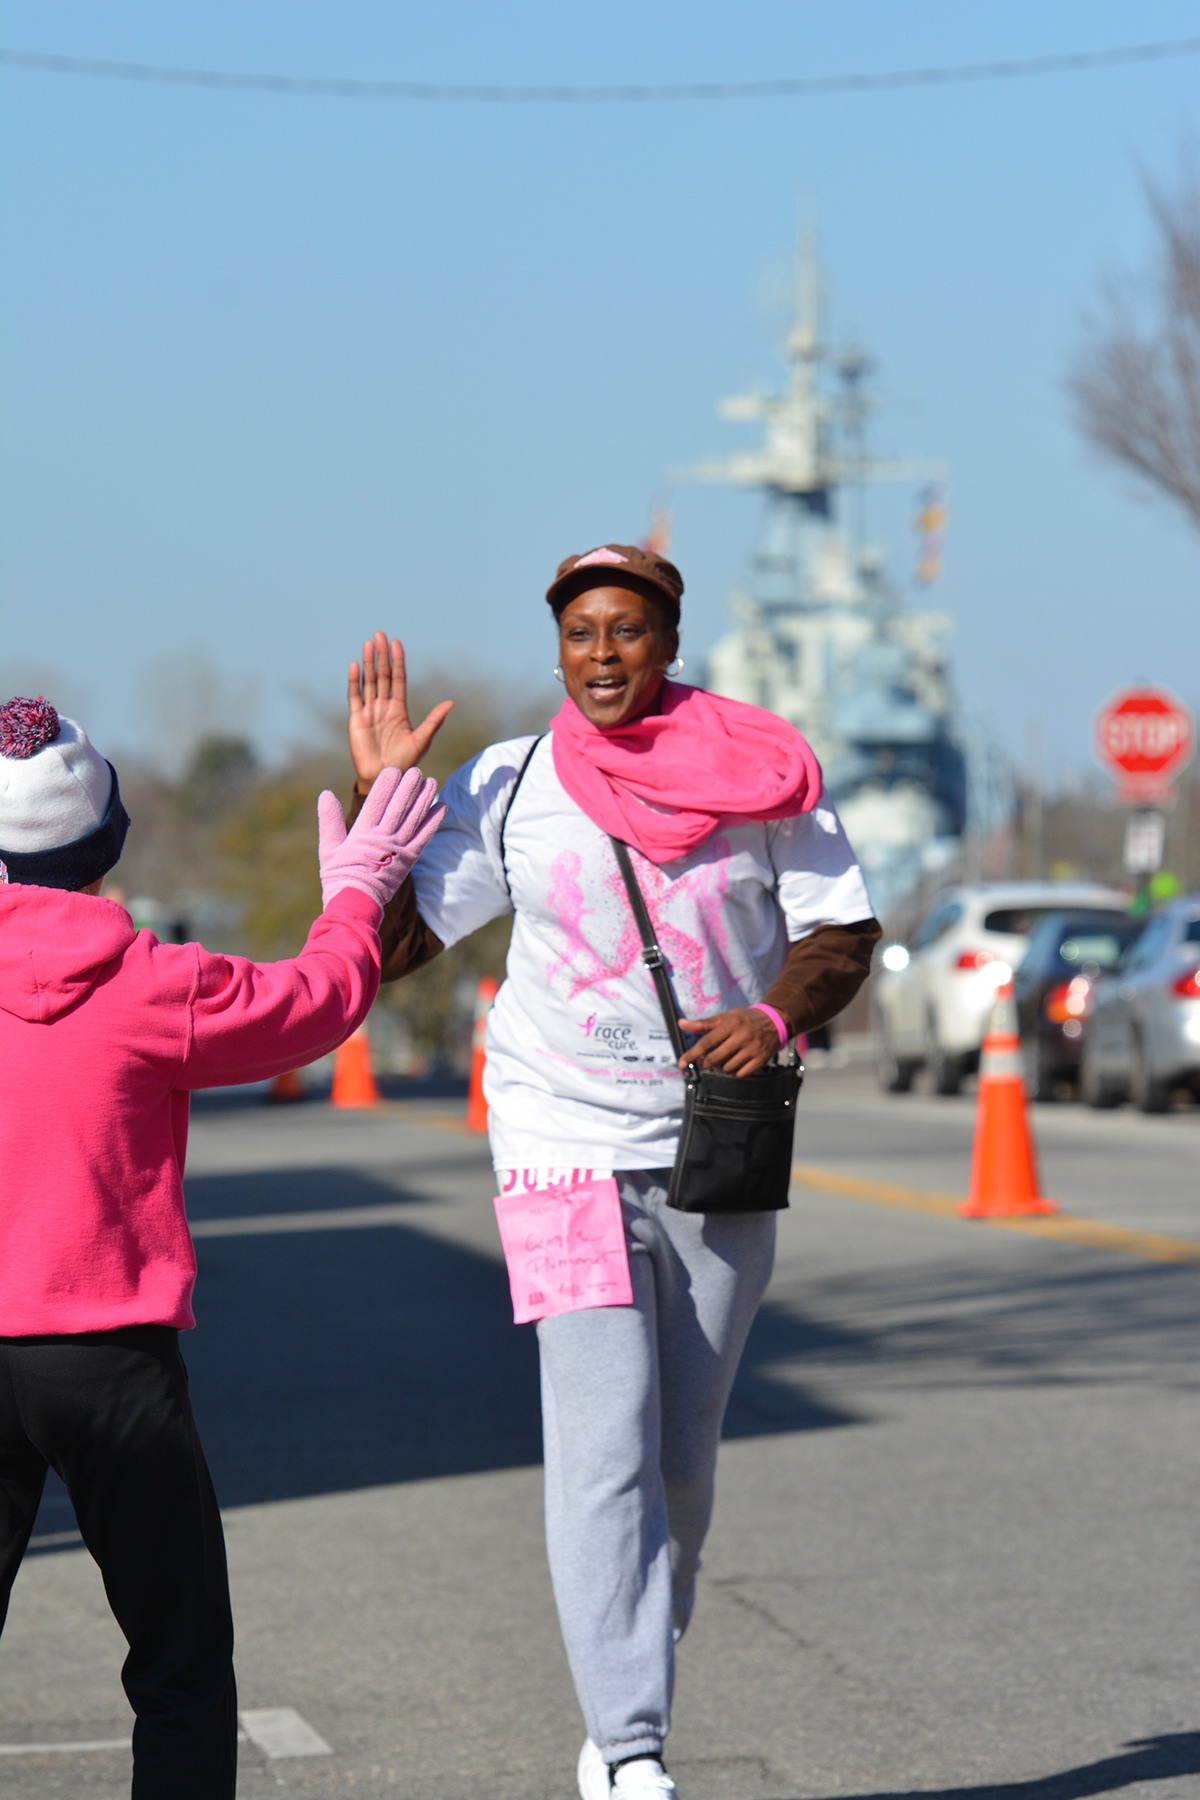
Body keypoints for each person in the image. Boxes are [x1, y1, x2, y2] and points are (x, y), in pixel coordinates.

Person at [345, 544, 881, 1800]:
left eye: (627, 632)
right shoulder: (512, 780)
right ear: (558, 649)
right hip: (555, 1140)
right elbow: (400, 942)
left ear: (668, 644)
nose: (603, 655)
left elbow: (843, 932)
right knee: (601, 1445)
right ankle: (630, 1744)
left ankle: (633, 1655)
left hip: (712, 1139)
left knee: (680, 1460)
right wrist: (381, 808)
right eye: (582, 632)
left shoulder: (762, 777)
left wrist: (775, 1015)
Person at [0, 694, 442, 1799]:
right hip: (113, 1361)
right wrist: (357, 890)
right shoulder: (156, 983)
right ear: (108, 844)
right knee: (180, 1665)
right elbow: (324, 998)